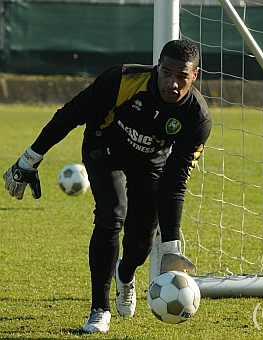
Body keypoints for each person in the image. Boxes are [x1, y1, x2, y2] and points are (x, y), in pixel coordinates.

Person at [3, 39, 212, 333]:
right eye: (167, 73)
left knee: (141, 242)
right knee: (112, 214)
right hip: (105, 145)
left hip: (151, 162)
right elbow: (72, 113)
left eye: (182, 76)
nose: (173, 83)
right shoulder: (123, 79)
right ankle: (99, 309)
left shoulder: (197, 117)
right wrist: (30, 158)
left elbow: (174, 183)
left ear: (195, 75)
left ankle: (125, 274)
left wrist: (171, 248)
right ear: (157, 68)